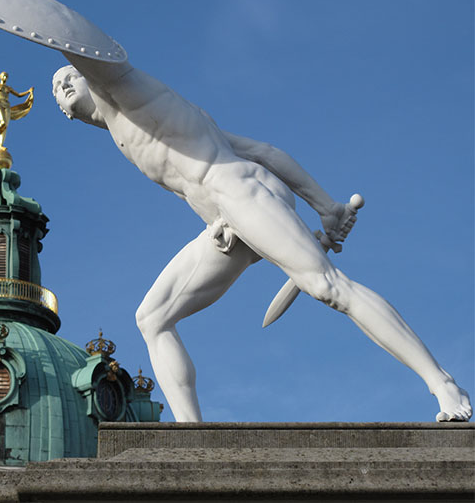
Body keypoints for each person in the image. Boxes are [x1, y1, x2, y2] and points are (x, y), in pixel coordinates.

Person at [52, 60, 471, 423]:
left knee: (329, 287)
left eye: (70, 75)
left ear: (92, 75)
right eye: (56, 87)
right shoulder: (125, 129)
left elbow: (73, 39)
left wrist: (323, 205)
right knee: (152, 318)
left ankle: (442, 383)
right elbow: (264, 150)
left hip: (238, 191)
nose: (64, 85)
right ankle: (191, 437)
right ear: (65, 116)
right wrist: (325, 207)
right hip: (224, 219)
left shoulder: (125, 91)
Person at [0, 72, 34, 149]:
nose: (5, 77)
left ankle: (1, 145)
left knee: (5, 126)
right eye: (4, 76)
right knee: (3, 122)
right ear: (1, 77)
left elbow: (18, 95)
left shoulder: (8, 88)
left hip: (7, 105)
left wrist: (28, 91)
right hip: (0, 103)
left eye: (6, 76)